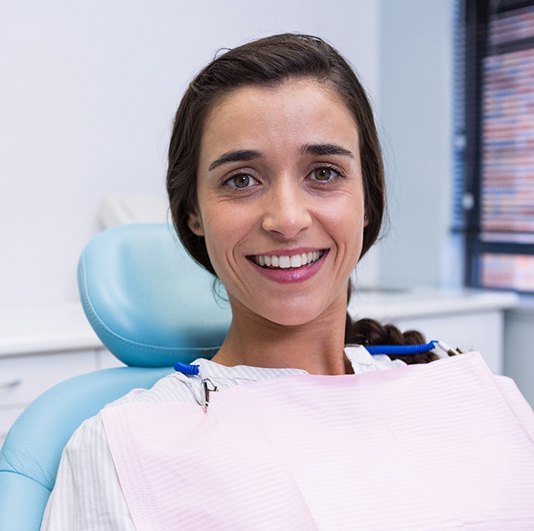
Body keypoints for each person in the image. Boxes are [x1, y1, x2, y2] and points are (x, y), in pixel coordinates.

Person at [42, 33, 516, 530]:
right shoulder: (123, 446)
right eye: (241, 179)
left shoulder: (472, 393)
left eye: (324, 172)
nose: (287, 219)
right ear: (193, 213)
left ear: (368, 200)